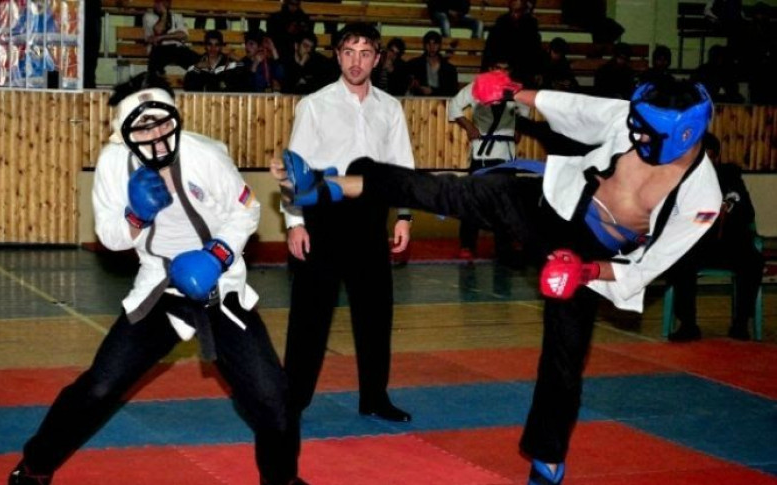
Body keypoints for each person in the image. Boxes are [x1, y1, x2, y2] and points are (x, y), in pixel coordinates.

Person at [272, 74, 722, 485]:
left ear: (683, 134)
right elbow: (576, 109)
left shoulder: (700, 198)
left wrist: (585, 271)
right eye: (636, 127)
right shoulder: (634, 119)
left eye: (647, 134)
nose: (636, 136)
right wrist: (513, 93)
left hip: (590, 258)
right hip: (552, 203)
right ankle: (327, 186)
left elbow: (647, 267)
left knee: (565, 360)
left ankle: (547, 460)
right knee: (452, 190)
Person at [7, 73, 307, 485]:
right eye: (145, 129)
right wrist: (136, 215)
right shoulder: (114, 164)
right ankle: (34, 467)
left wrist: (217, 255)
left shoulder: (205, 154)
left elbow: (247, 209)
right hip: (159, 287)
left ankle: (282, 480)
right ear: (125, 133)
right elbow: (110, 237)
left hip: (220, 285)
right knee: (100, 387)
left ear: (175, 118)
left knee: (273, 396)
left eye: (163, 123)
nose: (158, 137)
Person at [280, 22, 415, 466]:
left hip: (370, 218)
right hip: (322, 216)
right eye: (349, 52)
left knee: (376, 314)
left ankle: (375, 396)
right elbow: (296, 167)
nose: (357, 61)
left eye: (365, 53)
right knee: (309, 318)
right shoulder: (315, 105)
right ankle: (292, 401)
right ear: (338, 55)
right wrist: (295, 222)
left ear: (377, 58)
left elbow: (401, 167)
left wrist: (405, 216)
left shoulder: (390, 108)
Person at [664, 133, 764, 342]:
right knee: (678, 260)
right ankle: (688, 324)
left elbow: (748, 213)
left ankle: (740, 323)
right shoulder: (680, 178)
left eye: (710, 159)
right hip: (696, 244)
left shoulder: (730, 176)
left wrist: (729, 207)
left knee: (753, 261)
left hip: (730, 243)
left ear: (717, 158)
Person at [448, 59, 529, 261]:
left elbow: (525, 112)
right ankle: (467, 244)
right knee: (473, 199)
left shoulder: (516, 90)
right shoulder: (477, 86)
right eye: (497, 68)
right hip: (482, 153)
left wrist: (519, 128)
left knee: (505, 202)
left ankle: (504, 245)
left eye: (506, 69)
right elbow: (455, 105)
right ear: (491, 69)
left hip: (506, 154)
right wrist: (468, 126)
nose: (501, 72)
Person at [482, 0, 544, 86]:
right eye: (514, 11)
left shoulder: (531, 23)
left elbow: (535, 49)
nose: (516, 14)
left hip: (523, 67)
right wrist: (485, 70)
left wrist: (538, 71)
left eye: (519, 11)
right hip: (504, 65)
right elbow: (490, 48)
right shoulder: (501, 21)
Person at [143, 0, 200, 77]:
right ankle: (156, 81)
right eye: (160, 2)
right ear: (155, 3)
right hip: (159, 49)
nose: (163, 4)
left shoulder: (177, 16)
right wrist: (164, 14)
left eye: (166, 2)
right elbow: (159, 30)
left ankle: (196, 80)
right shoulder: (149, 16)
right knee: (155, 67)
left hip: (176, 48)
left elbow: (183, 35)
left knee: (199, 62)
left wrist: (160, 37)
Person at [406, 30, 459, 96]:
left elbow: (453, 92)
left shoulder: (450, 69)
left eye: (435, 44)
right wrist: (412, 84)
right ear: (424, 45)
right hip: (420, 101)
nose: (432, 47)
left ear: (440, 45)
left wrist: (433, 91)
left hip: (442, 101)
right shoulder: (414, 64)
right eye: (428, 44)